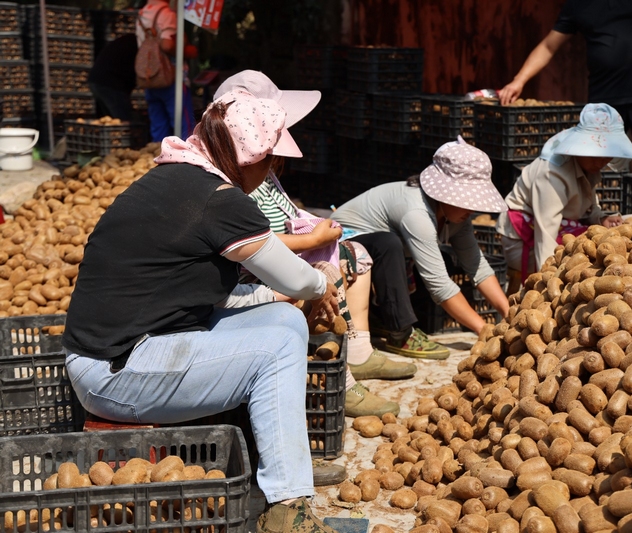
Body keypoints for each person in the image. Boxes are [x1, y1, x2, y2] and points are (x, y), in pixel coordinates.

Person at [62, 88, 342, 533]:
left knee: (286, 321)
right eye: (272, 161)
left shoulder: (178, 177)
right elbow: (293, 277)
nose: (273, 172)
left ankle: (274, 467)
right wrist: (321, 282)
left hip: (134, 347)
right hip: (113, 371)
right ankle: (288, 506)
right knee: (276, 351)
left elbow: (198, 292)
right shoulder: (218, 199)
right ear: (249, 158)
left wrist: (285, 299)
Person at [214, 70, 417, 418]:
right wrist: (313, 240)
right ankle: (341, 376)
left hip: (272, 259)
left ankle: (357, 350)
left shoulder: (261, 173)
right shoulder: (236, 182)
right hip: (250, 278)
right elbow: (254, 243)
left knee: (359, 253)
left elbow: (281, 214)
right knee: (323, 274)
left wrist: (316, 225)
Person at [331, 139, 510, 354]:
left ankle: (379, 319)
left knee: (443, 261)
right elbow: (439, 285)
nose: (472, 209)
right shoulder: (416, 213)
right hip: (344, 251)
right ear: (446, 194)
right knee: (389, 244)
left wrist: (509, 312)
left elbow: (477, 266)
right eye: (468, 200)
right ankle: (401, 333)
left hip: (382, 259)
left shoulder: (457, 216)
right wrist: (485, 330)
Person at [498, 0, 632, 172]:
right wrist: (519, 80)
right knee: (601, 172)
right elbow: (549, 46)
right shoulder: (579, 3)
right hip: (604, 103)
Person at [497, 103, 632, 290]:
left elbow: (588, 203)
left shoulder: (587, 164)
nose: (601, 161)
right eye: (595, 154)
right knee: (593, 249)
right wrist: (548, 283)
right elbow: (546, 234)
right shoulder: (552, 174)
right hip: (525, 240)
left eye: (606, 154)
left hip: (561, 227)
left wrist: (600, 218)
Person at [136, 0, 196, 141]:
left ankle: (160, 156)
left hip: (150, 77)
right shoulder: (166, 14)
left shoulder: (142, 13)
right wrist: (187, 51)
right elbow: (167, 45)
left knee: (158, 125)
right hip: (170, 77)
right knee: (183, 126)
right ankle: (186, 157)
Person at [88, 34, 137, 121]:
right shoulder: (138, 45)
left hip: (97, 80)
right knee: (124, 120)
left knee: (111, 119)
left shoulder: (129, 40)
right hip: (109, 83)